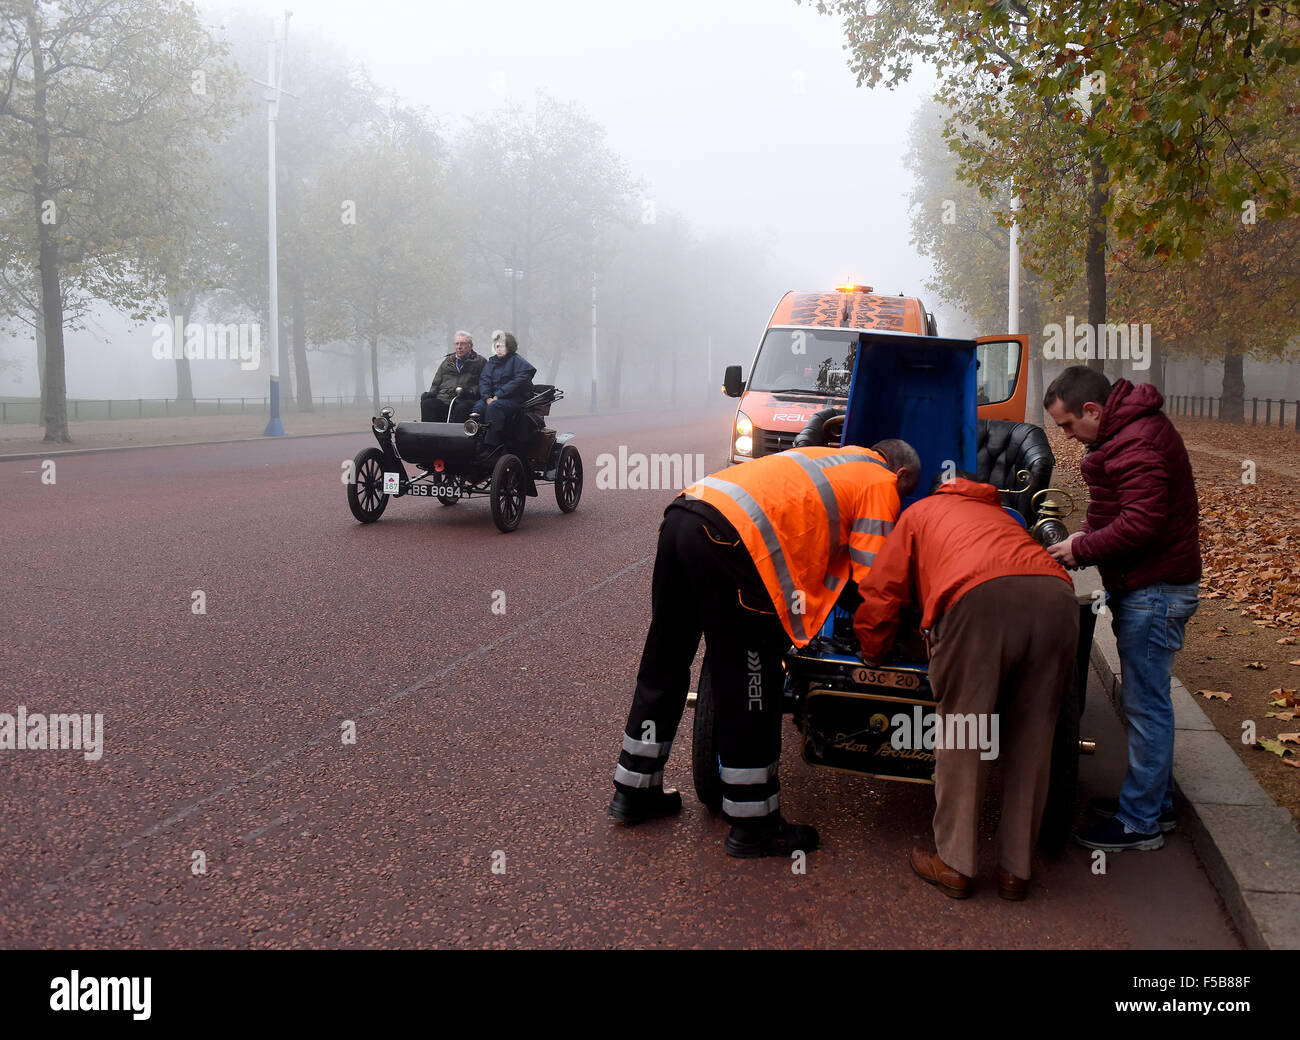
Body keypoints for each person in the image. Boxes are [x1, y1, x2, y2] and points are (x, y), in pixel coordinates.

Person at [608, 439, 922, 857]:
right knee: (750, 678)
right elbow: (872, 584)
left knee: (665, 659)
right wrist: (887, 642)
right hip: (733, 545)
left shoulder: (830, 458)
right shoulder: (881, 483)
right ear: (900, 474)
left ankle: (635, 790)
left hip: (684, 515)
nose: (901, 502)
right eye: (908, 492)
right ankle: (754, 824)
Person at [855, 473, 1079, 900]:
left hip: (978, 602)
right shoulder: (1005, 519)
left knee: (965, 730)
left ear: (943, 490)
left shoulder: (920, 511)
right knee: (1034, 735)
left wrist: (872, 649)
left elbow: (882, 590)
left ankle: (955, 864)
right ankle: (1016, 870)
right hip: (1057, 599)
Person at [1042, 366, 1201, 852]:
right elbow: (1120, 509)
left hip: (1156, 592)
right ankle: (1154, 804)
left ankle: (1140, 823)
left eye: (1068, 425)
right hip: (1151, 586)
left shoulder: (1137, 443)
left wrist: (1082, 549)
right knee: (1146, 702)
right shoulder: (1129, 432)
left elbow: (1142, 523)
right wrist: (1084, 535)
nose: (1067, 436)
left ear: (1093, 410)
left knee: (1146, 706)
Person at [471, 331, 536, 455]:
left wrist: (498, 395)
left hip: (513, 400)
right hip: (492, 399)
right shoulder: (491, 363)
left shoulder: (518, 361)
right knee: (478, 408)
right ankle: (476, 442)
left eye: (502, 346)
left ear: (509, 347)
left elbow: (518, 382)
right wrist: (486, 397)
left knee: (494, 407)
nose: (499, 349)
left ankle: (492, 446)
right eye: (497, 346)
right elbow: (484, 381)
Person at [422, 331, 484, 423]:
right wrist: (431, 394)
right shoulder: (447, 362)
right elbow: (436, 383)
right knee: (428, 403)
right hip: (444, 399)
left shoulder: (480, 362)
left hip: (466, 399)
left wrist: (469, 391)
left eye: (463, 344)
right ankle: (429, 435)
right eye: (457, 344)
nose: (459, 347)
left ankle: (455, 436)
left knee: (461, 408)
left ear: (470, 346)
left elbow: (484, 385)